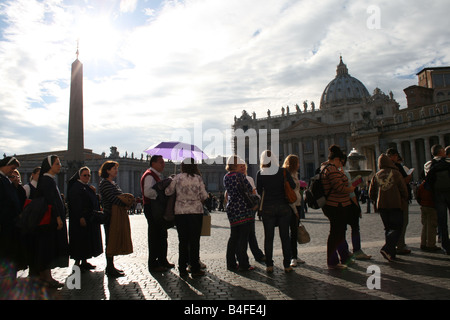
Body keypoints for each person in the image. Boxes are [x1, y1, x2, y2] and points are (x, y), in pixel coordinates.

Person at [165, 158, 208, 276]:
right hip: (195, 212)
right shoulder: (198, 178)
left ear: (182, 166)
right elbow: (204, 195)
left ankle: (182, 268)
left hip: (180, 213)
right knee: (194, 241)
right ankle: (194, 268)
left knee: (182, 241)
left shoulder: (177, 178)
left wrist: (172, 180)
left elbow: (168, 192)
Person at [31, 155, 69, 287]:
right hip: (49, 222)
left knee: (48, 247)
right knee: (46, 248)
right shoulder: (47, 180)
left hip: (50, 220)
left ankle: (47, 276)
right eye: (57, 163)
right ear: (50, 166)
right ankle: (46, 277)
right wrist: (58, 217)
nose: (60, 166)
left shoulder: (48, 179)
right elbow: (50, 201)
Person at [256, 150, 295, 273]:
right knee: (285, 237)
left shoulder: (260, 173)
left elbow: (258, 191)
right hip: (283, 206)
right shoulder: (283, 171)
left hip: (267, 208)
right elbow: (293, 186)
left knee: (269, 237)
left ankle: (269, 265)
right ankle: (287, 265)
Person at [320, 145, 355, 269]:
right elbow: (339, 187)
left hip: (335, 204)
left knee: (338, 233)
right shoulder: (332, 169)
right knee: (336, 233)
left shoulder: (325, 167)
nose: (342, 164)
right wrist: (350, 188)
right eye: (341, 161)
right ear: (336, 159)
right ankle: (332, 261)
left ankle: (341, 257)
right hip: (336, 204)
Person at [369, 153, 408, 262]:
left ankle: (391, 253)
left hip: (381, 206)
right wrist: (404, 199)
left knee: (388, 229)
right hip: (395, 204)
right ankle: (387, 248)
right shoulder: (396, 173)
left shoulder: (376, 175)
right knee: (398, 227)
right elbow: (403, 189)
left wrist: (374, 200)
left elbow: (371, 192)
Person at [140, 155, 174, 272]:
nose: (163, 164)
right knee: (155, 236)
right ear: (153, 163)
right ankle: (153, 264)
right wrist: (161, 196)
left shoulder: (156, 176)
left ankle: (162, 260)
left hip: (156, 208)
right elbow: (148, 192)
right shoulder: (149, 175)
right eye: (161, 162)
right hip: (152, 208)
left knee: (162, 234)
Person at [67, 167, 103, 271]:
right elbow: (75, 204)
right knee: (80, 240)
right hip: (79, 219)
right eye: (85, 175)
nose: (87, 177)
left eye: (88, 175)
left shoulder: (85, 187)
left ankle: (84, 261)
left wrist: (94, 194)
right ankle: (77, 263)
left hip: (88, 218)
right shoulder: (75, 187)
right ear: (79, 176)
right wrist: (80, 217)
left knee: (86, 241)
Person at [223, 155, 255, 272]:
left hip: (232, 209)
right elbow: (249, 189)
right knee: (243, 238)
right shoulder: (240, 176)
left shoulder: (226, 177)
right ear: (236, 165)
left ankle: (230, 263)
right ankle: (243, 264)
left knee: (233, 237)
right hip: (243, 208)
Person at [99, 160, 130, 277]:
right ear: (107, 170)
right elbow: (113, 198)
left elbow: (120, 195)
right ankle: (110, 267)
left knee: (113, 239)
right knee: (110, 241)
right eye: (114, 169)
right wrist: (124, 203)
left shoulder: (113, 183)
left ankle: (111, 266)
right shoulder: (105, 184)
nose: (116, 171)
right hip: (110, 215)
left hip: (116, 214)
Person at [340, 155, 371, 260]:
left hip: (338, 206)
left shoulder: (334, 173)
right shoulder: (345, 174)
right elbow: (351, 193)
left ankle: (345, 252)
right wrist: (358, 207)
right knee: (355, 228)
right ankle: (357, 251)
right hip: (349, 205)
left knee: (341, 230)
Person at [424, 144, 450, 254]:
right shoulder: (448, 161)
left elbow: (426, 179)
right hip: (449, 192)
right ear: (442, 152)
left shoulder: (428, 164)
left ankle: (446, 246)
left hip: (437, 194)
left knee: (442, 221)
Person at [0, 156, 23, 281]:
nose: (12, 171)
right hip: (5, 223)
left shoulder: (5, 180)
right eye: (12, 168)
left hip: (11, 224)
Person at [386, 148, 412, 255]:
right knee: (402, 222)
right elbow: (403, 182)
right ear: (393, 156)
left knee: (391, 225)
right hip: (401, 199)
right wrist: (409, 176)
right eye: (396, 156)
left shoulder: (384, 170)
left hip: (389, 201)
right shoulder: (397, 167)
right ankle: (399, 245)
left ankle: (393, 246)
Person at [282, 154, 306, 267]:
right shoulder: (287, 175)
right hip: (291, 206)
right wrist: (295, 210)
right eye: (297, 162)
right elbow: (288, 193)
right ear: (293, 164)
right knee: (292, 231)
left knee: (294, 231)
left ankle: (294, 255)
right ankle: (292, 257)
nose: (299, 164)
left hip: (298, 204)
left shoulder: (295, 174)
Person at [244, 164, 265, 264]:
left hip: (236, 211)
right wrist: (257, 204)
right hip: (249, 209)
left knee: (238, 235)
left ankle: (236, 258)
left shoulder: (228, 177)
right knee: (251, 233)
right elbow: (255, 193)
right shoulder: (248, 178)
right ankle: (257, 255)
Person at [416, 179, 439, 251]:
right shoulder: (432, 184)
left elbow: (418, 196)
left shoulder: (422, 185)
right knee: (432, 226)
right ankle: (431, 244)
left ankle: (423, 243)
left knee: (425, 226)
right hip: (431, 206)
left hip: (423, 206)